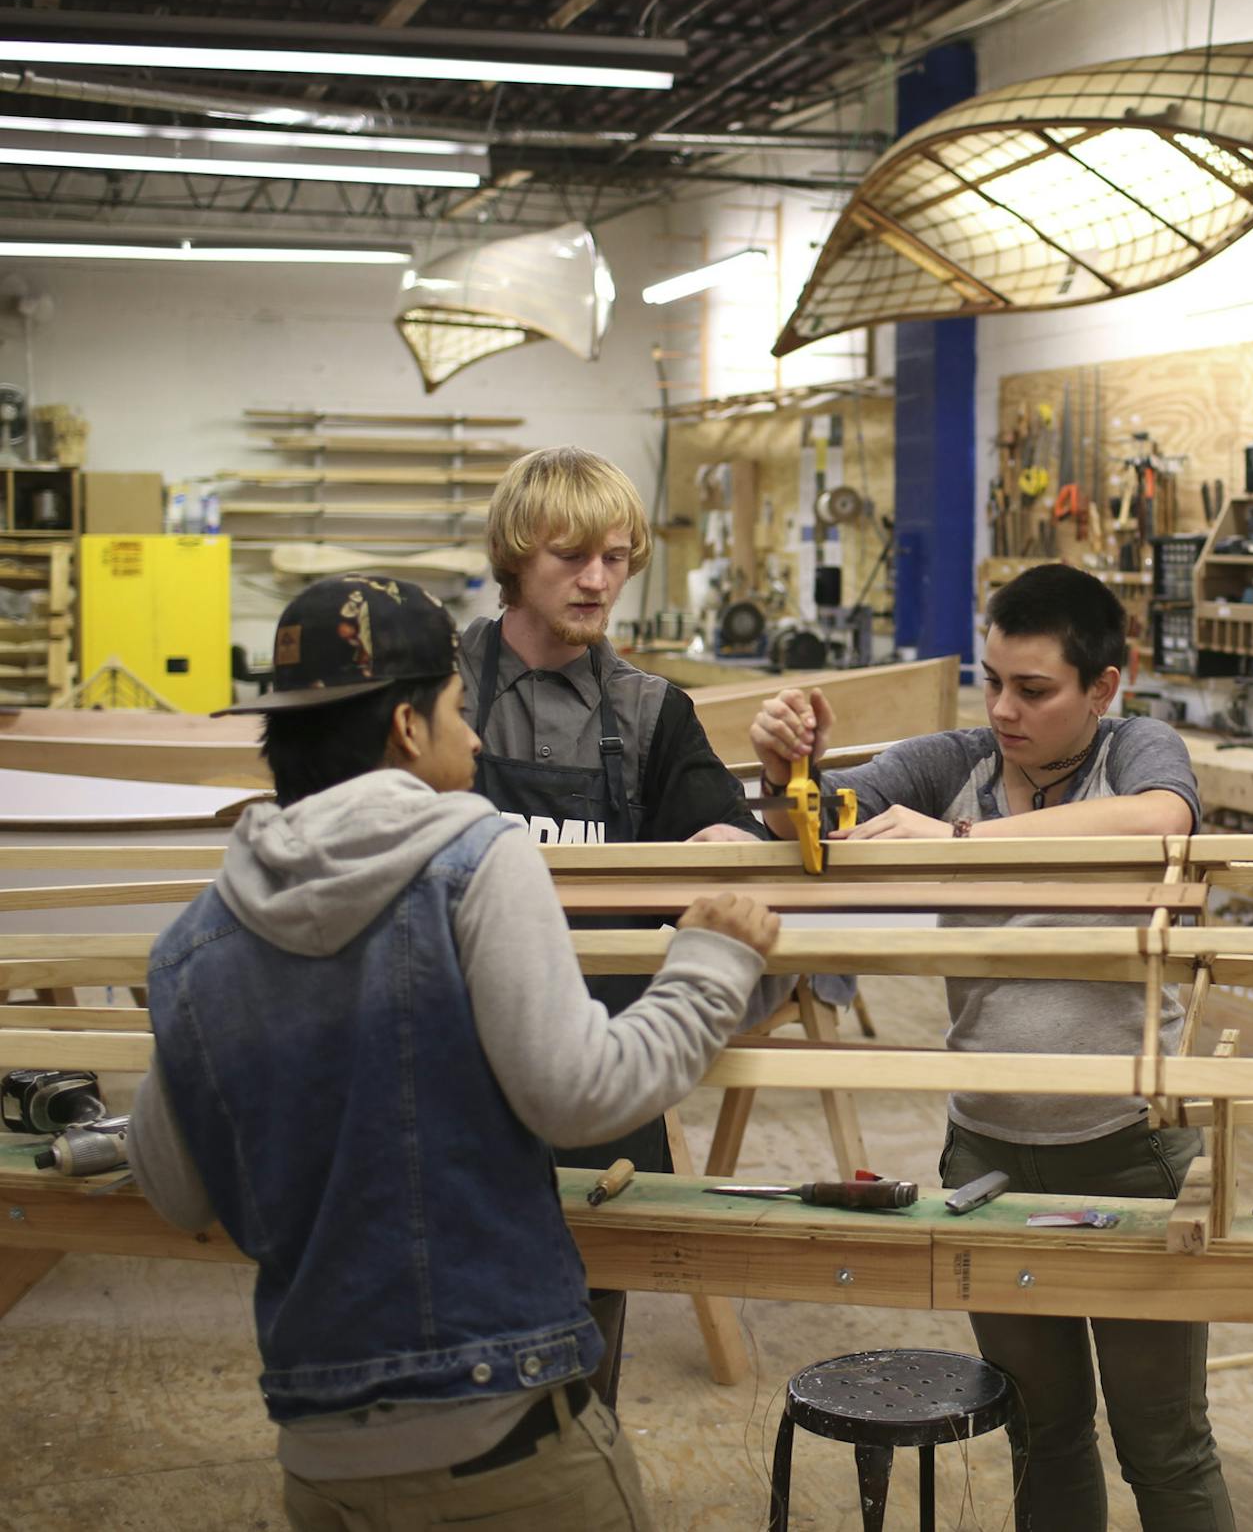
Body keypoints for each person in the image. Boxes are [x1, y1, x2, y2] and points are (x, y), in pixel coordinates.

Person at [128, 575, 777, 1530]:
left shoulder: (196, 939)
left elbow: (175, 1188)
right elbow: (584, 1094)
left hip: (319, 1453)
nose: (474, 740)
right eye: (457, 713)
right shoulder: (476, 859)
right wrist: (712, 962)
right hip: (502, 1434)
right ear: (404, 728)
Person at [750, 562, 1235, 1532]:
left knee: (1163, 1444)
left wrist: (958, 841)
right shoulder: (954, 759)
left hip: (1128, 1152)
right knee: (1044, 1430)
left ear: (1105, 685)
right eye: (992, 680)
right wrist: (785, 773)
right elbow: (824, 825)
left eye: (1035, 689)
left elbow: (1163, 821)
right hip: (988, 1159)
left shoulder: (1136, 749)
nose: (1004, 709)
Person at [460, 444, 765, 1403]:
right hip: (452, 1052)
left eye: (618, 557)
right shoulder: (438, 694)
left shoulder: (650, 713)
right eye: (569, 556)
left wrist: (734, 848)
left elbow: (737, 854)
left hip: (597, 1069)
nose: (598, 581)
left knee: (582, 1356)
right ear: (515, 555)